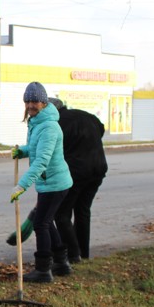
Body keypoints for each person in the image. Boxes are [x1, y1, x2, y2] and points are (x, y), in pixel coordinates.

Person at [10, 82, 73, 283]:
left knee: (40, 224)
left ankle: (43, 270)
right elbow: (36, 148)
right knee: (47, 221)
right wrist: (23, 151)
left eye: (35, 101)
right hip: (50, 182)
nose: (30, 105)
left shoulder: (49, 127)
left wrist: (22, 185)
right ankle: (61, 263)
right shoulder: (37, 121)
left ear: (43, 102)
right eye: (28, 101)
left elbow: (42, 161)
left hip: (54, 183)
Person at [48, 97, 108, 263]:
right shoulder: (86, 116)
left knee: (61, 214)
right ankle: (83, 253)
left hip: (76, 173)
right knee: (83, 211)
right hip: (98, 169)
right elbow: (101, 130)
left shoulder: (57, 124)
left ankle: (73, 255)